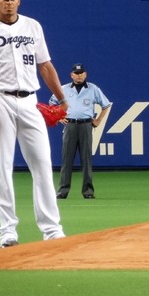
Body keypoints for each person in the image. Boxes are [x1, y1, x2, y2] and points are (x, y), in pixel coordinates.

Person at [0, 0, 67, 247]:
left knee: (43, 164)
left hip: (30, 100)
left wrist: (62, 98)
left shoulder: (33, 26)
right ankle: (7, 230)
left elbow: (45, 65)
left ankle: (51, 229)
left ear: (19, 0)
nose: (9, 1)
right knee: (2, 167)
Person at [49, 63, 111, 199]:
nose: (79, 76)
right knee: (67, 160)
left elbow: (106, 105)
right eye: (76, 74)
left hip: (86, 125)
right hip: (70, 125)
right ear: (72, 75)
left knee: (86, 159)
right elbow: (52, 103)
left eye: (81, 73)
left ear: (85, 74)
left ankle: (88, 192)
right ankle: (63, 191)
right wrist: (59, 118)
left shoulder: (93, 89)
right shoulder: (63, 89)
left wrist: (98, 120)